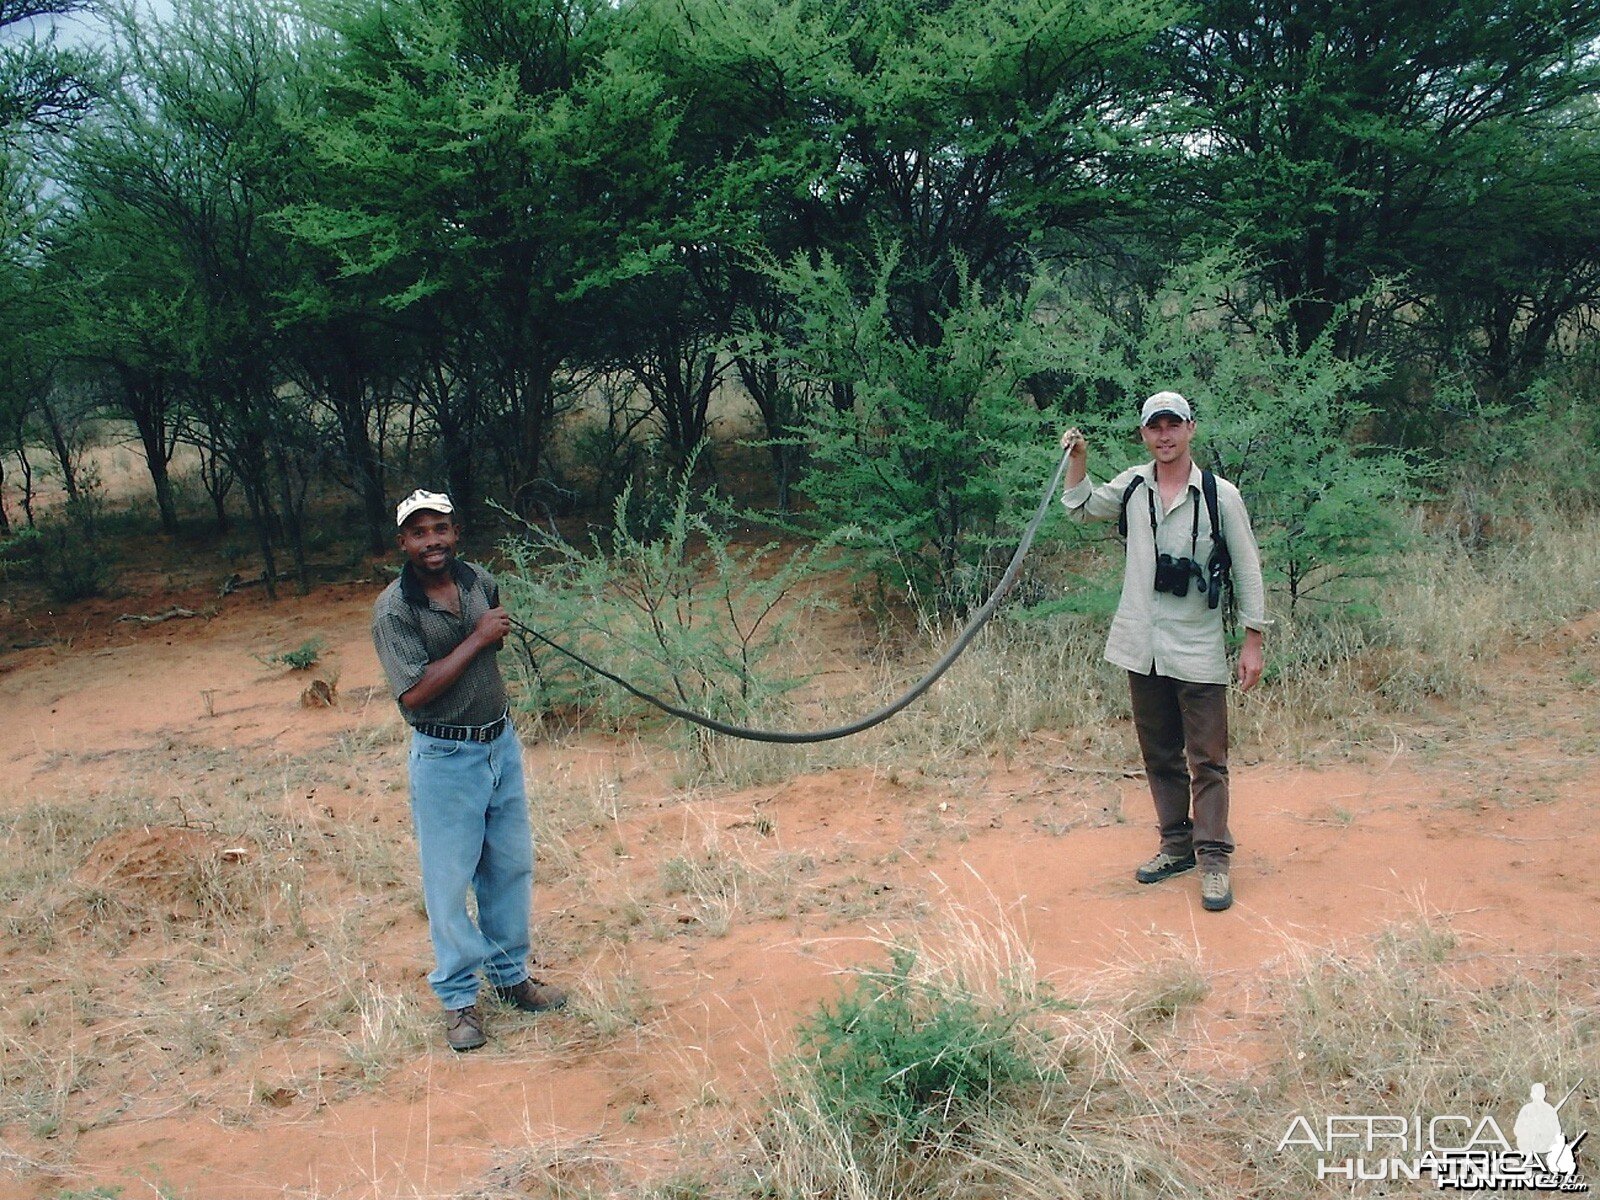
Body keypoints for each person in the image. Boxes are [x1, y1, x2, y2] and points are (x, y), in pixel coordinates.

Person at [371, 488, 567, 1051]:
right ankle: (460, 1002)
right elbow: (413, 693)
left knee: (509, 866)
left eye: (441, 529)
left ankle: (511, 980)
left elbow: (492, 650)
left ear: (455, 533)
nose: (432, 541)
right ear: (403, 541)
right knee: (449, 883)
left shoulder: (478, 581)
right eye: (419, 532)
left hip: (499, 744)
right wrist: (478, 637)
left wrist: (482, 636)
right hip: (444, 755)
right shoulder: (394, 611)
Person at [1059, 392, 1268, 912]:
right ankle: (1176, 844)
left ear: (1191, 429)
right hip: (1142, 643)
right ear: (1144, 435)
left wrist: (1252, 641)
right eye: (1156, 427)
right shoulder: (1132, 485)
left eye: (1174, 425)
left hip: (1197, 646)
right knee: (1159, 755)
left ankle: (1214, 859)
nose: (1165, 435)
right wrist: (1078, 458)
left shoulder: (1221, 496)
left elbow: (1248, 569)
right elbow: (1081, 508)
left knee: (1208, 759)